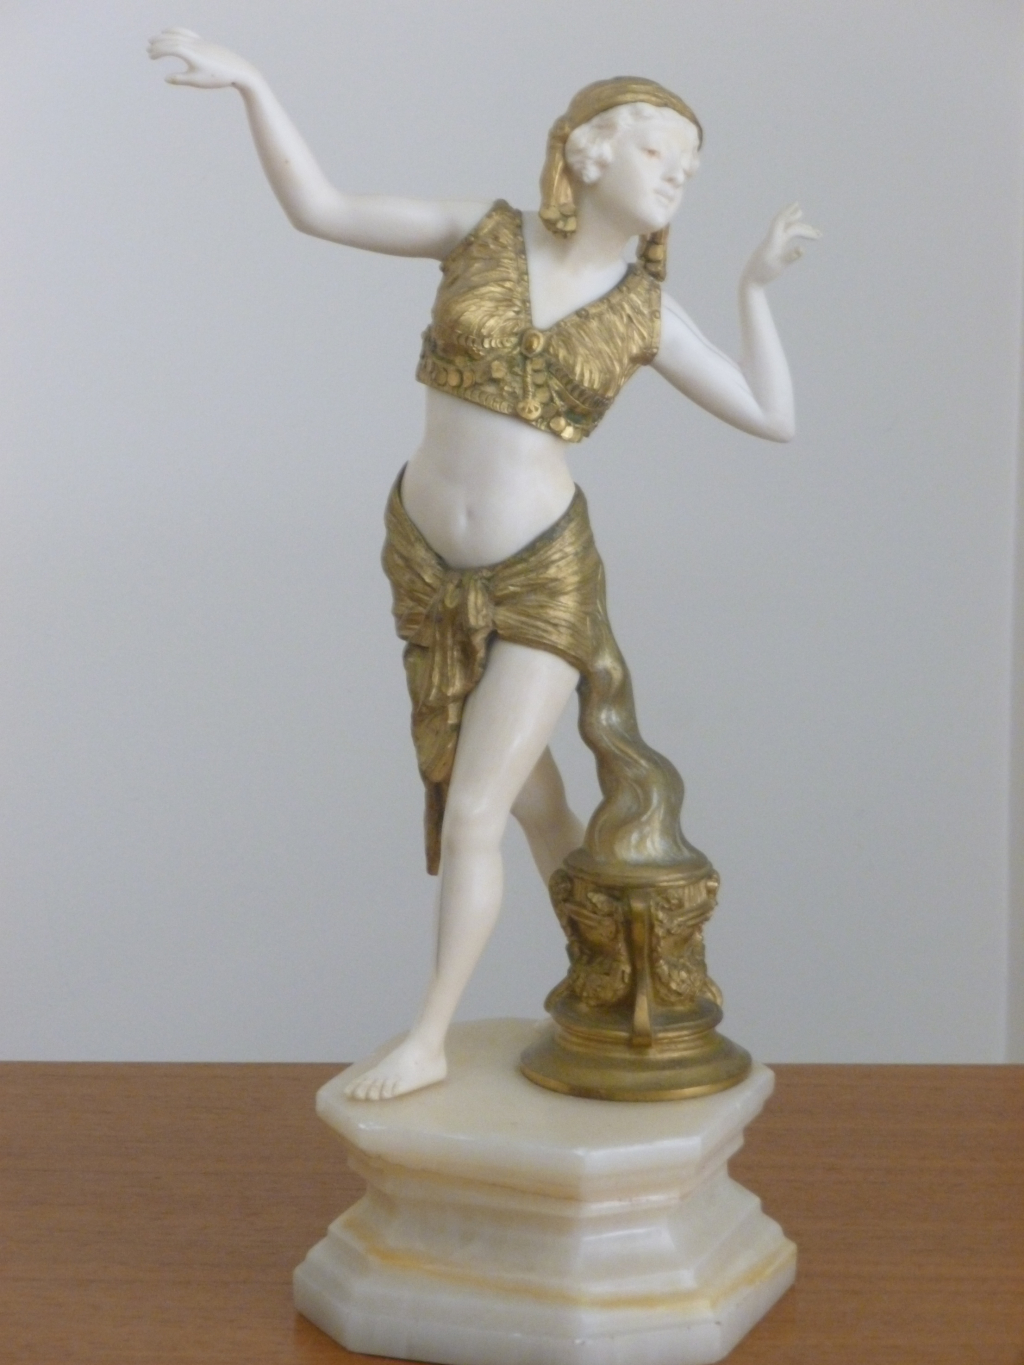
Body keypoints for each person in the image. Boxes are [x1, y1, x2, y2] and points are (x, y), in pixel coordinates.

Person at [149, 29, 819, 1100]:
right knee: (535, 803)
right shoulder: (480, 232)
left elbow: (771, 415)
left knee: (474, 810)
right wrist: (255, 86)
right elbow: (318, 209)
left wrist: (754, 289)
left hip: (539, 576)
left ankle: (426, 1037)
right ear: (588, 150)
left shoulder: (645, 312)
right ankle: (611, 982)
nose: (679, 178)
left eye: (691, 169)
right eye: (661, 153)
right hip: (424, 564)